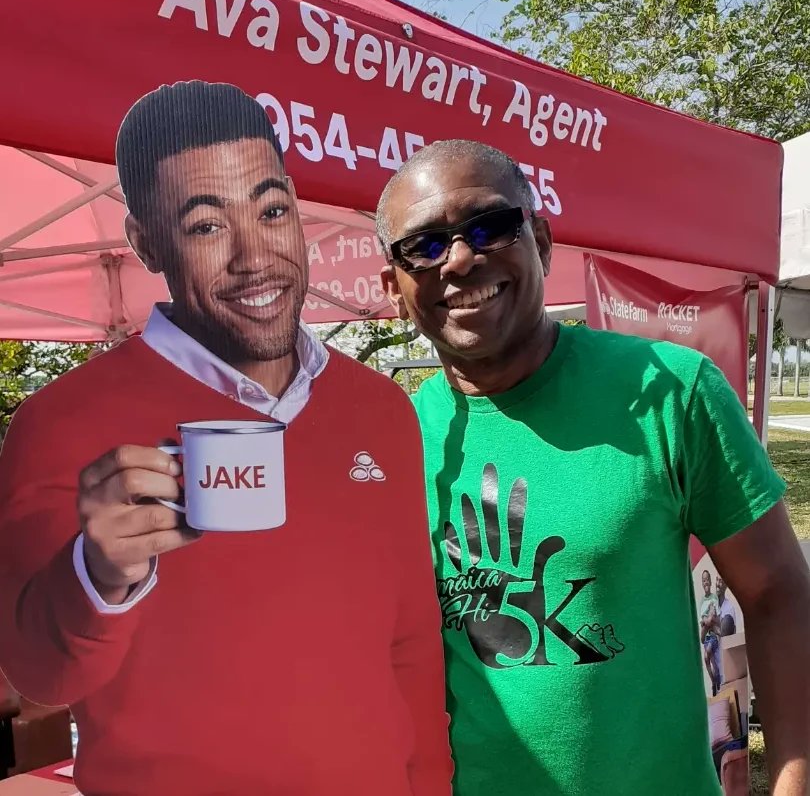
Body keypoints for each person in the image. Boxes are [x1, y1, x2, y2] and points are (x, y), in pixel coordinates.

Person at [0, 81, 452, 796]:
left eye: (272, 211)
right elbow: (39, 677)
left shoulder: (382, 410)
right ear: (147, 244)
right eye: (206, 226)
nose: (254, 257)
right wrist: (98, 574)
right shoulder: (61, 423)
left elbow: (410, 649)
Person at [375, 138, 810, 795]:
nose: (461, 258)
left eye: (490, 226)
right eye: (425, 245)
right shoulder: (391, 443)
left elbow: (779, 592)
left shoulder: (671, 391)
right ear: (393, 287)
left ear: (542, 243)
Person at [699, 569, 722, 695]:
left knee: (708, 653)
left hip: (712, 635)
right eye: (703, 580)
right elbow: (702, 620)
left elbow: (714, 617)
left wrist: (708, 621)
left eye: (707, 579)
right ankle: (714, 681)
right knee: (707, 659)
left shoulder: (714, 598)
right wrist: (707, 621)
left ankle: (717, 681)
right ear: (702, 583)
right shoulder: (702, 601)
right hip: (706, 636)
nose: (705, 582)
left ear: (710, 581)